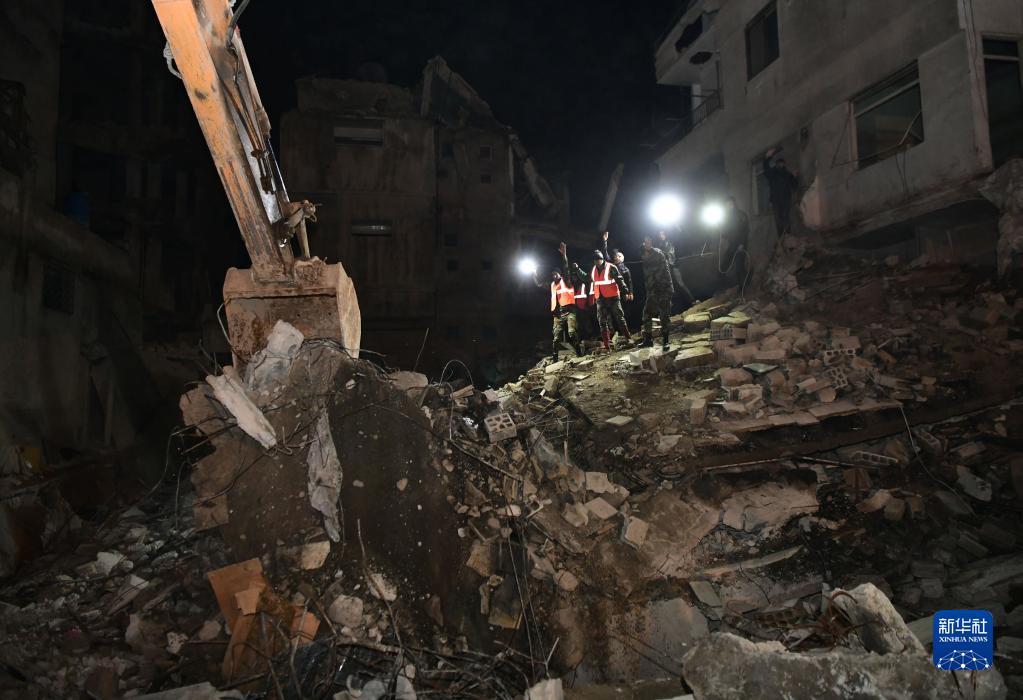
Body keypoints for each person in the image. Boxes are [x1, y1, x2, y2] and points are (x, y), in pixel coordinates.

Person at [533, 242, 585, 361]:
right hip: (558, 315)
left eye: (556, 274)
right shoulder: (552, 285)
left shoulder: (566, 281)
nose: (554, 276)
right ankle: (555, 358)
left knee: (571, 332)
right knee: (556, 337)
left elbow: (566, 268)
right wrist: (534, 273)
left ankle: (579, 353)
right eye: (552, 274)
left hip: (570, 311)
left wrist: (564, 255)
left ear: (560, 274)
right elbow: (540, 284)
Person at [589, 249, 631, 351]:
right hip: (601, 299)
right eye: (595, 260)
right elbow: (589, 279)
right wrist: (578, 270)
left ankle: (628, 338)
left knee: (619, 318)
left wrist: (626, 291)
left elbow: (619, 280)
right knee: (602, 322)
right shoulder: (593, 269)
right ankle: (607, 345)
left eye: (598, 259)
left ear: (602, 259)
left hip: (613, 297)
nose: (597, 262)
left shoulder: (611, 267)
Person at [639, 235, 674, 351]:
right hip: (652, 291)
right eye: (644, 243)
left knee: (664, 316)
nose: (642, 257)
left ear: (650, 243)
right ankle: (648, 340)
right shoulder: (645, 257)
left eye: (647, 242)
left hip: (663, 289)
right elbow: (647, 277)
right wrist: (649, 291)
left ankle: (666, 341)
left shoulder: (658, 254)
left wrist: (665, 290)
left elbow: (661, 273)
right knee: (646, 313)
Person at [764, 147, 798, 236]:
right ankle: (781, 238)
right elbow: (766, 169)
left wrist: (795, 177)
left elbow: (794, 186)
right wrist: (767, 157)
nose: (781, 164)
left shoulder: (787, 174)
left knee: (785, 218)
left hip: (786, 200)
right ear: (776, 164)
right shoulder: (772, 173)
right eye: (779, 163)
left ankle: (788, 236)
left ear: (784, 164)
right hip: (776, 201)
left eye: (782, 163)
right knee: (778, 219)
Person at [657, 229, 695, 307]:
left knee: (680, 284)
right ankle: (671, 305)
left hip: (673, 266)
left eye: (662, 234)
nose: (661, 236)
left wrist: (662, 254)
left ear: (665, 234)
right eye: (660, 234)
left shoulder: (670, 243)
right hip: (666, 268)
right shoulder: (660, 245)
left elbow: (670, 254)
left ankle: (692, 300)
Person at [719, 196, 750, 289]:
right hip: (732, 244)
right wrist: (721, 230)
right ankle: (722, 286)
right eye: (727, 205)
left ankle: (742, 287)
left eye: (730, 204)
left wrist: (742, 244)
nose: (729, 206)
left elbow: (745, 231)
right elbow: (725, 233)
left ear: (734, 204)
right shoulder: (727, 217)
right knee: (724, 265)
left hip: (740, 244)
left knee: (739, 267)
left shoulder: (741, 215)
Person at [602, 231, 634, 303]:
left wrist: (630, 293)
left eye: (618, 256)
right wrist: (604, 241)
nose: (616, 257)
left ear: (622, 259)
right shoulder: (611, 264)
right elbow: (604, 253)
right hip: (611, 291)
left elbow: (629, 282)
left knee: (623, 307)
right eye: (615, 256)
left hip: (622, 293)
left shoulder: (625, 269)